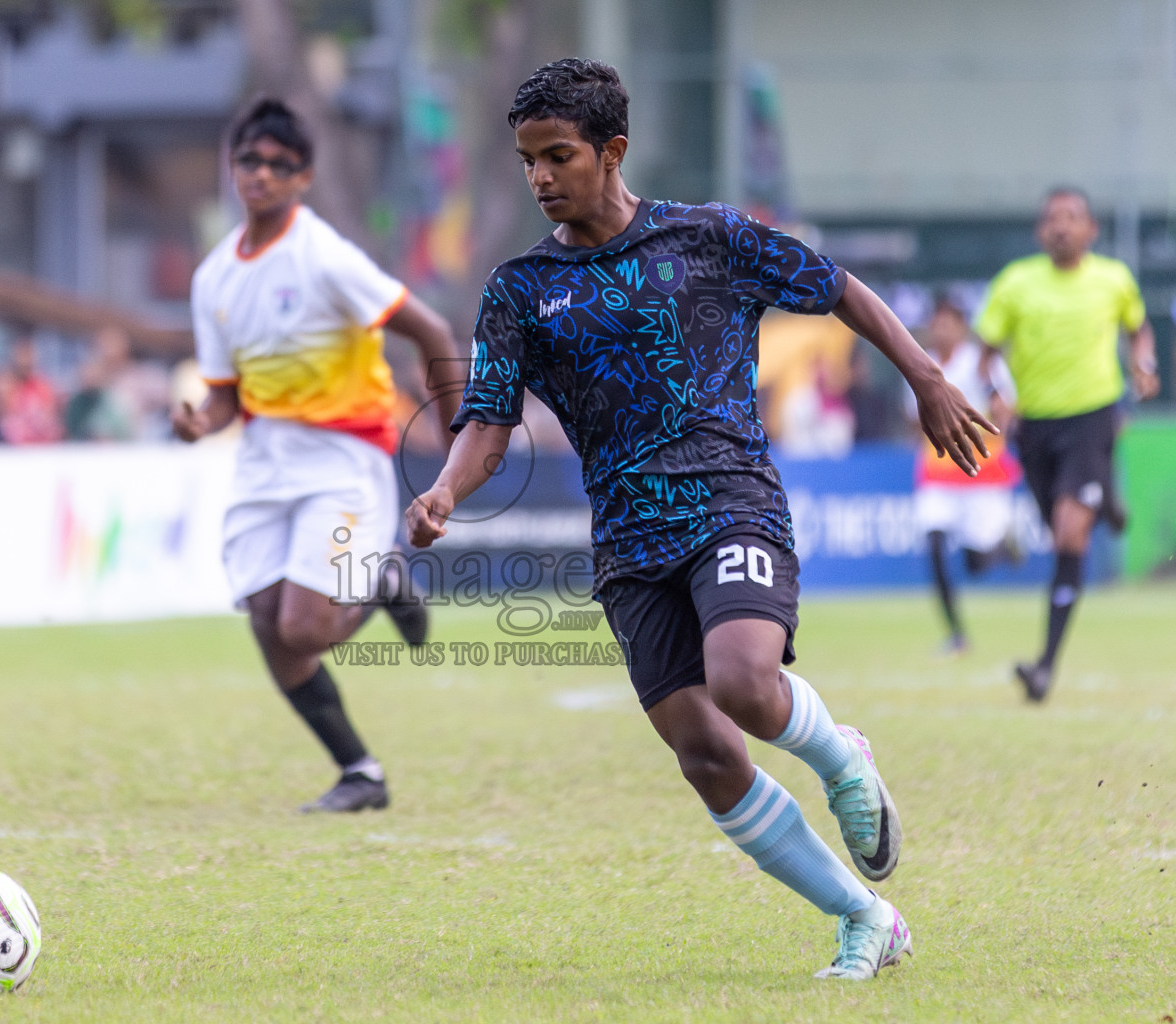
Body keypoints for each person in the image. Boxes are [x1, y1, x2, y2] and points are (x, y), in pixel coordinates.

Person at [406, 59, 995, 982]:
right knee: (707, 756)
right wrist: (446, 490)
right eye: (527, 161)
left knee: (745, 682)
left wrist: (924, 377)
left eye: (558, 156)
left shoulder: (711, 236)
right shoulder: (519, 289)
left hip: (729, 501)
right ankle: (865, 918)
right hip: (630, 546)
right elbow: (488, 422)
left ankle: (842, 760)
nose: (541, 178)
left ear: (613, 152)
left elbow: (838, 288)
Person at [174, 98, 460, 813]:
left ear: (302, 177)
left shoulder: (323, 255)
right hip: (264, 461)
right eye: (249, 160)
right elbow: (224, 397)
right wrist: (197, 423)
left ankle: (385, 575)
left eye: (278, 164)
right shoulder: (213, 278)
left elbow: (430, 328)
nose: (260, 174)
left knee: (304, 625)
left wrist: (459, 439)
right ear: (232, 166)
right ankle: (360, 773)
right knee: (270, 624)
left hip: (343, 459)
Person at [975, 187, 1158, 702]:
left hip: (1094, 415)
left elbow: (1138, 331)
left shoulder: (1114, 279)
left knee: (1068, 533)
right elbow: (986, 353)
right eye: (1053, 219)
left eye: (1072, 217)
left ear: (1091, 230)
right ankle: (1108, 498)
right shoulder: (1015, 283)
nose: (1061, 226)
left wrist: (1145, 365)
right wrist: (996, 394)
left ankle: (1045, 666)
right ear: (1040, 232)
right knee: (1060, 527)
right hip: (1035, 426)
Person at [908, 299, 1022, 655]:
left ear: (962, 325)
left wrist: (997, 422)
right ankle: (956, 633)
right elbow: (913, 418)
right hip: (939, 473)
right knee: (934, 544)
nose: (940, 330)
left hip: (982, 473)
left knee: (976, 562)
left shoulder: (982, 363)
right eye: (935, 323)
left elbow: (1007, 409)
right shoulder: (919, 361)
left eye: (948, 322)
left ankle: (1002, 547)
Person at [0, 334, 64, 444]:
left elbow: (49, 418)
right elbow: (4, 420)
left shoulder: (43, 385)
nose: (25, 361)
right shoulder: (6, 385)